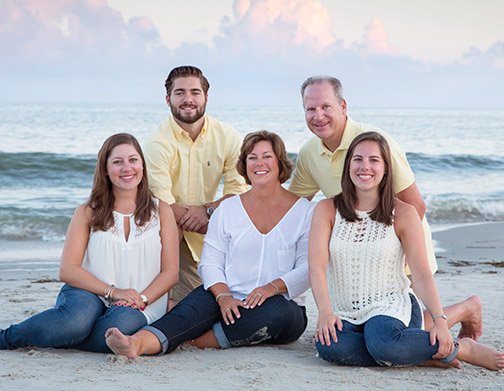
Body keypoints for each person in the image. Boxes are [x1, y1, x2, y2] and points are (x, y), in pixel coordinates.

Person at [290, 75, 482, 340]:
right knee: (373, 329)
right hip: (356, 253)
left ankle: (465, 310)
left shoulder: (375, 143)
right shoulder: (310, 152)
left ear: (343, 106)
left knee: (399, 328)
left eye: (326, 107)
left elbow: (415, 204)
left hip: (398, 251)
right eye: (310, 109)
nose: (318, 115)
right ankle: (460, 315)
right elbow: (293, 205)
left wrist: (391, 257)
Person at [105, 131, 314, 357]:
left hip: (280, 304)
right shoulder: (227, 209)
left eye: (267, 156)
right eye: (252, 157)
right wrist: (223, 296)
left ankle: (199, 339)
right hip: (227, 294)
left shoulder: (305, 211)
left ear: (280, 162)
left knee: (278, 312)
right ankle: (137, 343)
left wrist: (270, 288)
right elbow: (210, 262)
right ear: (244, 164)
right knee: (193, 306)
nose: (259, 163)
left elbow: (308, 268)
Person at [308, 131, 504, 370]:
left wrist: (440, 320)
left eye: (374, 160)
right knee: (331, 346)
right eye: (357, 159)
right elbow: (317, 267)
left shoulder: (403, 213)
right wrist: (325, 312)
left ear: (386, 169)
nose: (364, 167)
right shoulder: (327, 209)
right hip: (345, 310)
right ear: (348, 165)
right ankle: (420, 355)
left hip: (391, 306)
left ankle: (460, 348)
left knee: (382, 342)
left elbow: (421, 274)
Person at [0, 133, 179, 353]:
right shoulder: (88, 212)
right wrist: (114, 292)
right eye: (117, 162)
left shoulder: (161, 210)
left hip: (142, 303)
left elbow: (171, 273)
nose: (127, 168)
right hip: (89, 293)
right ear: (105, 169)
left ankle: (64, 335)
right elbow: (68, 270)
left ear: (142, 165)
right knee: (75, 321)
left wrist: (140, 299)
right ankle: (8, 338)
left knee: (121, 326)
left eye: (133, 160)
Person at [144, 65, 247, 306]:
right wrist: (197, 216)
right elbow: (163, 204)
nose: (187, 99)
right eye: (180, 93)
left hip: (209, 231)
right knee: (198, 305)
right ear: (168, 99)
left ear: (206, 97)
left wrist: (208, 212)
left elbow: (239, 194)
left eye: (195, 92)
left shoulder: (228, 136)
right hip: (165, 234)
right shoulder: (156, 142)